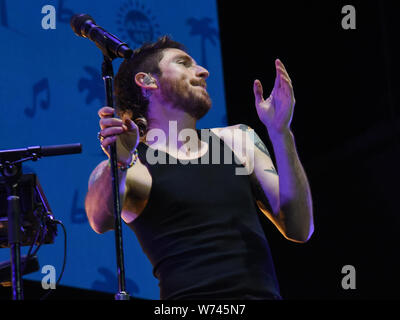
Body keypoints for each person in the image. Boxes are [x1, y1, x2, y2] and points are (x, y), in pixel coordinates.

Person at [85, 36, 314, 300]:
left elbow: (299, 228)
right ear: (147, 81)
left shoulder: (237, 140)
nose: (203, 71)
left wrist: (280, 132)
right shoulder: (136, 165)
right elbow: (99, 220)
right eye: (184, 63)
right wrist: (121, 161)